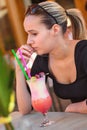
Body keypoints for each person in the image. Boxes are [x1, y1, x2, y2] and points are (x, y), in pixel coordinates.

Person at [15, 1, 87, 115]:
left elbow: (74, 108)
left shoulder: (84, 52)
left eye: (34, 34)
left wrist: (73, 108)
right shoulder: (43, 60)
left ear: (55, 30)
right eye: (27, 34)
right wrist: (19, 70)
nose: (28, 41)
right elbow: (25, 109)